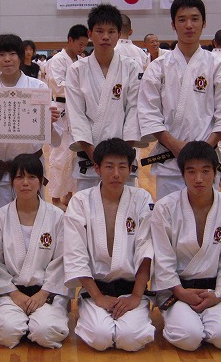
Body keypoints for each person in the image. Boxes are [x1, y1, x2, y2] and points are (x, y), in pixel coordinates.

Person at [149, 141, 221, 351]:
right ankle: (179, 317)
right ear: (182, 174)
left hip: (214, 290)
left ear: (215, 172)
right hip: (176, 290)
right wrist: (180, 291)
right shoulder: (165, 208)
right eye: (191, 172)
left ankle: (212, 313)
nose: (199, 179)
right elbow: (162, 258)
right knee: (189, 337)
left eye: (205, 171)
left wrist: (219, 294)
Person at [138, 0, 221, 199]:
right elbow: (148, 112)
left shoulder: (217, 66)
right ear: (173, 24)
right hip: (170, 163)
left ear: (204, 22)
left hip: (206, 161)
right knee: (169, 216)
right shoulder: (158, 67)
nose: (189, 25)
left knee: (207, 215)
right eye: (182, 19)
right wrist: (174, 145)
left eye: (195, 19)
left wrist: (205, 148)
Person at [64, 138, 155, 352]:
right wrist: (98, 297)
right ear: (97, 168)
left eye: (122, 167)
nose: (116, 174)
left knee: (130, 339)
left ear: (131, 169)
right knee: (100, 337)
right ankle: (93, 308)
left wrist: (136, 296)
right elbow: (75, 253)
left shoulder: (142, 199)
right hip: (96, 290)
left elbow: (147, 249)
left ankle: (137, 307)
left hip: (132, 289)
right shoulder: (80, 202)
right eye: (109, 167)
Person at [0, 34, 61, 221]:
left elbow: (55, 139)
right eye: (1, 54)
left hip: (30, 172)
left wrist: (50, 122)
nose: (7, 59)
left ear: (20, 56)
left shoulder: (38, 88)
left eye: (12, 54)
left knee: (33, 221)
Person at [0, 154, 72, 348]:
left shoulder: (57, 217)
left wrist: (44, 293)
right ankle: (22, 321)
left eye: (32, 177)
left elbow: (63, 260)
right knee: (7, 332)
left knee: (46, 332)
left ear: (41, 181)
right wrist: (14, 293)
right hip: (10, 293)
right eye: (19, 177)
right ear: (11, 181)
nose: (25, 183)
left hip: (47, 293)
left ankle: (34, 322)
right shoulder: (0, 217)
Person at [65, 4, 145, 191]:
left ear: (119, 34)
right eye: (99, 31)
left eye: (111, 31)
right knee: (88, 207)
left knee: (124, 207)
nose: (105, 36)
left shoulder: (131, 67)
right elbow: (76, 115)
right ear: (90, 34)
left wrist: (120, 159)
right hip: (90, 159)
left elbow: (134, 110)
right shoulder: (76, 70)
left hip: (122, 161)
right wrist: (97, 159)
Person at [44, 24, 88, 208]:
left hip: (77, 110)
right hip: (61, 108)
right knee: (60, 156)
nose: (82, 48)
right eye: (80, 44)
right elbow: (57, 85)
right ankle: (55, 198)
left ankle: (69, 196)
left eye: (85, 45)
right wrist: (81, 88)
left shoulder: (81, 60)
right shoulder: (57, 60)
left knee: (74, 156)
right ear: (70, 40)